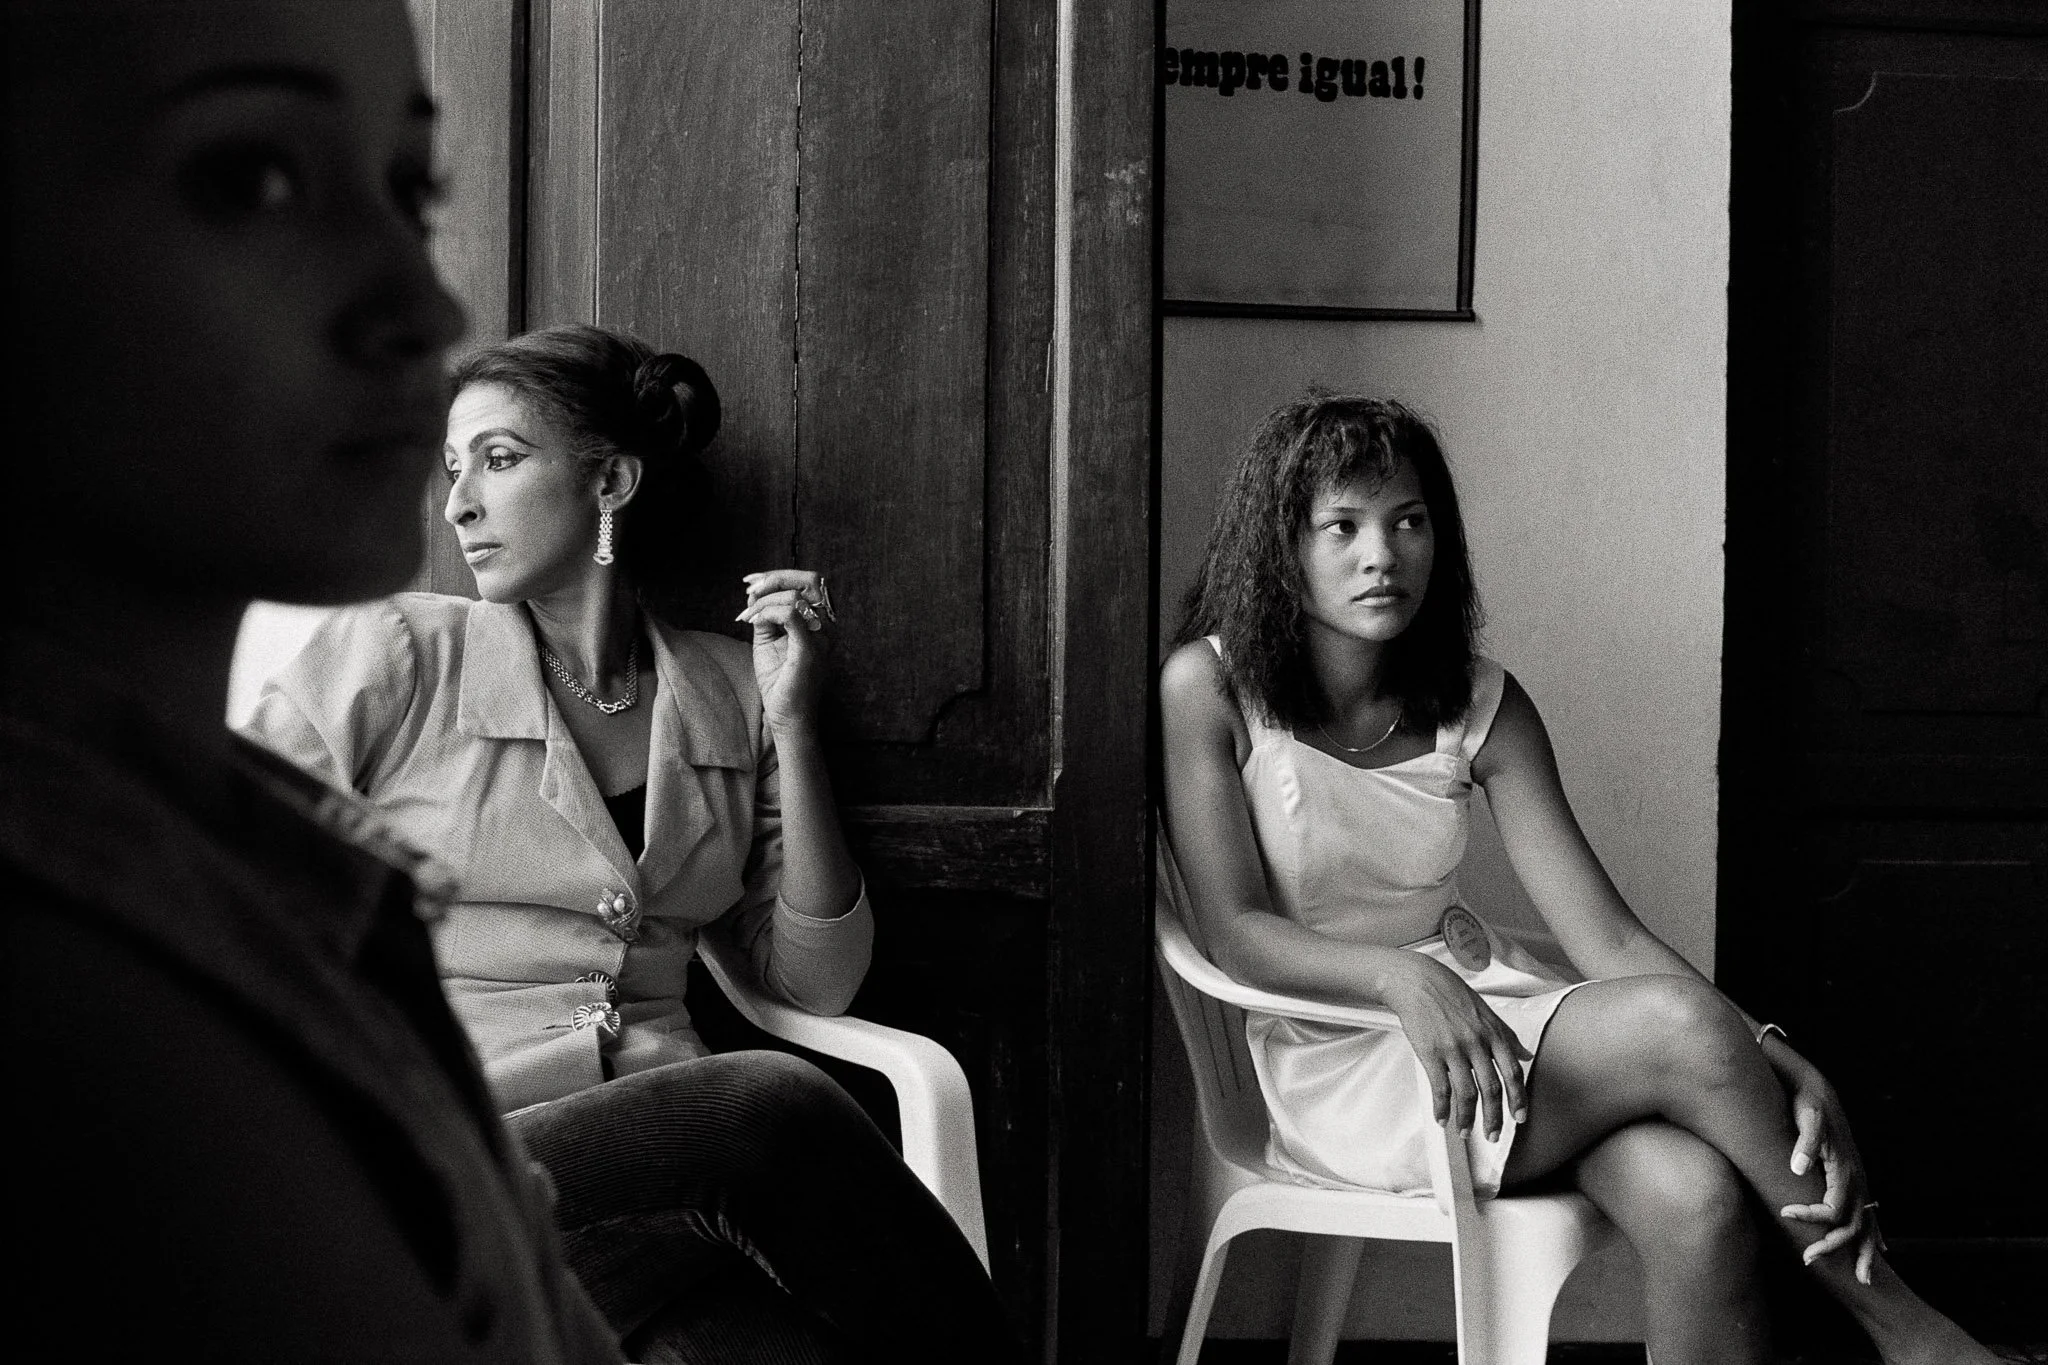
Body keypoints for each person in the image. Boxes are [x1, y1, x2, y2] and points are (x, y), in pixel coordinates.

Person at [1, 1, 621, 1359]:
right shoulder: (74, 981)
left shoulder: (254, 857)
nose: (426, 306)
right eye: (251, 178)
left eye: (413, 189)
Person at [1158, 394, 1995, 1365]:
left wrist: (1769, 1051)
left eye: (1408, 521)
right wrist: (1398, 978)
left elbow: (1606, 938)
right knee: (1679, 1032)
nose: (1380, 554)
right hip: (1341, 1053)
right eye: (1339, 527)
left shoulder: (1479, 702)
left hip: (1490, 1021)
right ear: (1277, 545)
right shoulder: (1208, 688)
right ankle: (1911, 1337)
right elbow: (1232, 931)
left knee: (1698, 1201)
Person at [238, 323, 1016, 1363]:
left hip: (637, 1206)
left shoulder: (730, 691)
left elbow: (814, 982)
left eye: (500, 461)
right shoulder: (400, 653)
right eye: (452, 467)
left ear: (610, 482)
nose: (460, 500)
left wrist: (792, 723)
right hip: (447, 1157)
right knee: (764, 1101)